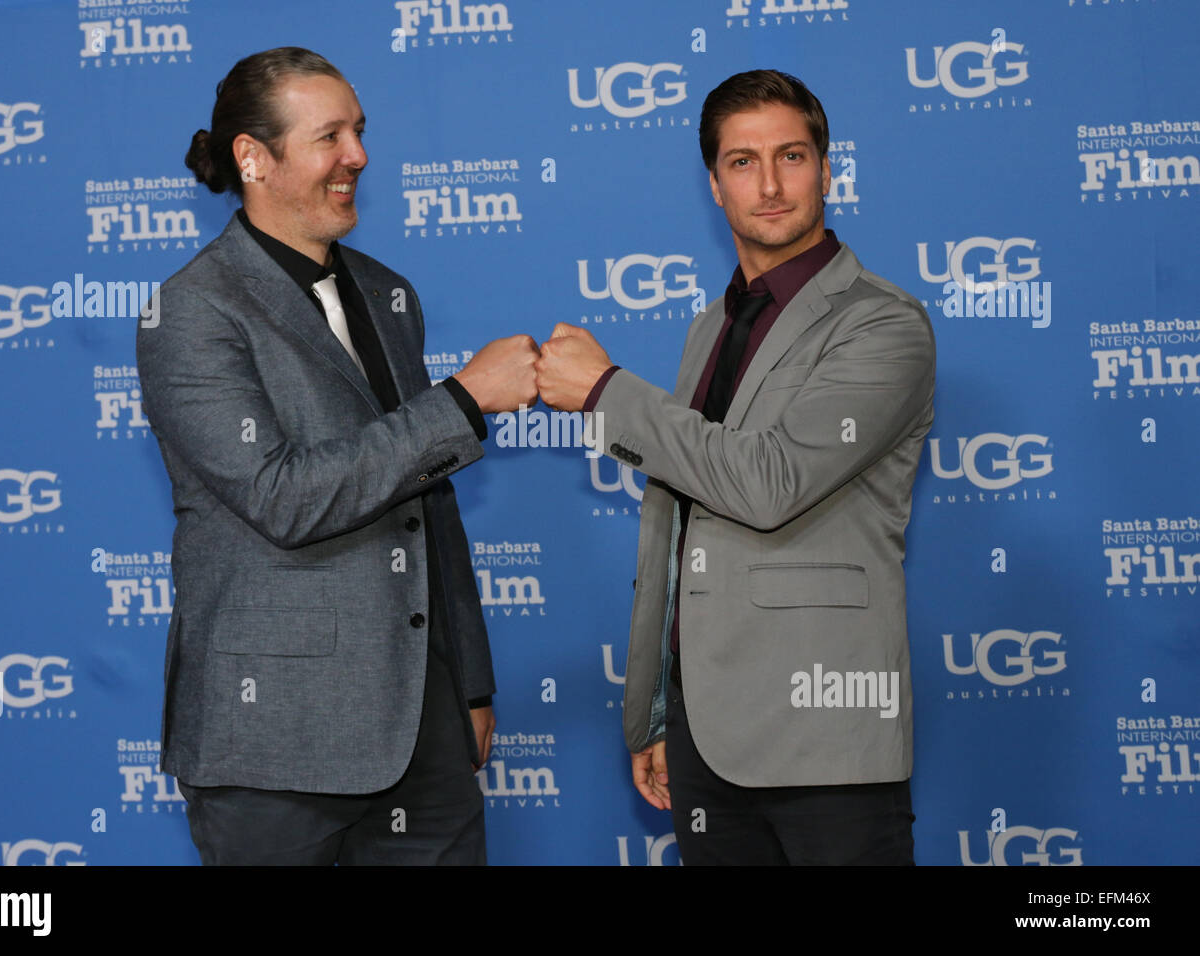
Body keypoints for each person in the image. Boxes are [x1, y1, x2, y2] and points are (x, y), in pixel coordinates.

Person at [136, 47, 539, 865]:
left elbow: (429, 495)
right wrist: (463, 401)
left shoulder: (388, 292)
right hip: (274, 749)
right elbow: (282, 496)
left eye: (358, 132)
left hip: (422, 731)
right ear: (254, 157)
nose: (357, 155)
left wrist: (469, 681)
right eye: (330, 137)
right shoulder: (191, 312)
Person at [534, 69, 935, 864]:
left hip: (826, 733)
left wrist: (606, 393)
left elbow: (769, 483)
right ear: (714, 184)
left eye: (791, 156)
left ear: (826, 168)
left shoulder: (884, 323)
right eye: (743, 162)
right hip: (707, 738)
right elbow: (677, 524)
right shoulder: (710, 325)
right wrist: (658, 712)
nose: (772, 183)